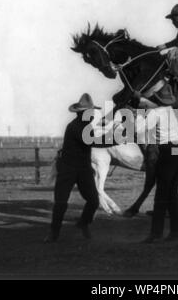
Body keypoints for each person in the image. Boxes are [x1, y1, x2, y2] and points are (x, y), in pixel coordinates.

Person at [44, 93, 114, 243]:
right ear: (82, 113)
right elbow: (95, 142)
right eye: (90, 111)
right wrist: (116, 139)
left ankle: (83, 223)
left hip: (82, 169)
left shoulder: (85, 126)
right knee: (61, 203)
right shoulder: (76, 126)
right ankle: (54, 233)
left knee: (94, 201)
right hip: (68, 169)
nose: (92, 114)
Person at [132, 83, 178, 243]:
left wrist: (138, 113)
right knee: (172, 193)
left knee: (161, 194)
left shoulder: (154, 113)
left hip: (167, 152)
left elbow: (137, 130)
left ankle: (156, 233)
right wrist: (141, 98)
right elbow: (155, 105)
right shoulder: (169, 110)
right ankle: (175, 231)